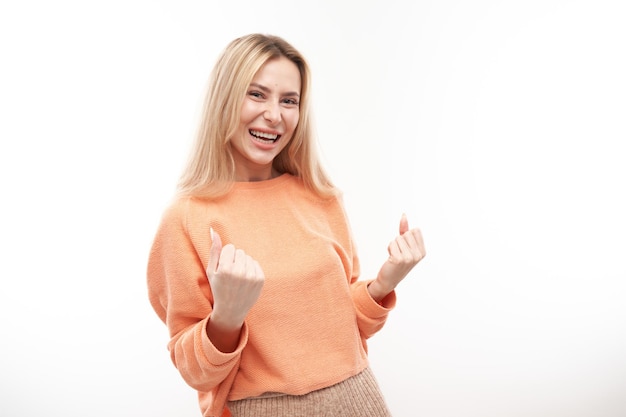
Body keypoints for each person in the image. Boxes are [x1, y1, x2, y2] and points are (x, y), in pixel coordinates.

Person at [147, 33, 426, 417]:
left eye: (288, 100)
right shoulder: (186, 218)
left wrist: (384, 283)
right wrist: (226, 316)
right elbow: (195, 371)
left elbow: (346, 327)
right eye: (257, 94)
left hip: (359, 399)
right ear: (225, 98)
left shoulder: (321, 196)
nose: (275, 115)